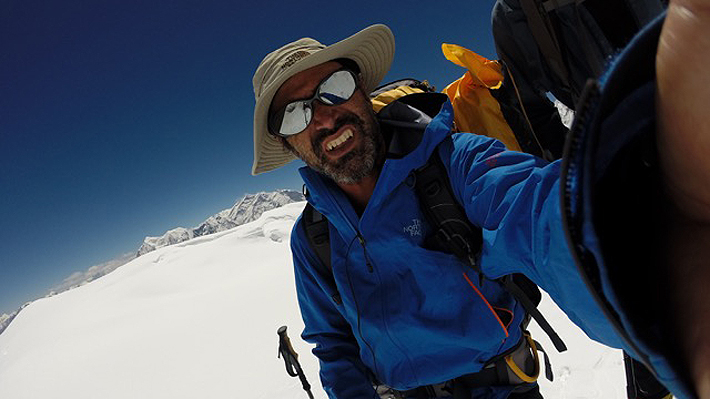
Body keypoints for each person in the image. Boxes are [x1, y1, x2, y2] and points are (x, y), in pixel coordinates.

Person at [250, 0, 710, 397]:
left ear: (362, 92)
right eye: (294, 115)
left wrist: (655, 267)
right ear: (288, 145)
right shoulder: (312, 238)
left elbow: (541, 214)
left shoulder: (456, 164)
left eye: (335, 88)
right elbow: (333, 344)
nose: (324, 117)